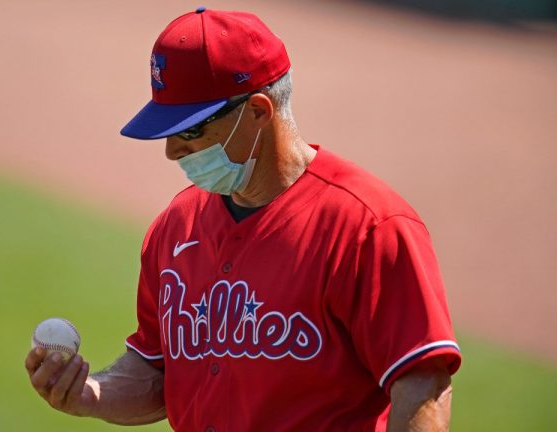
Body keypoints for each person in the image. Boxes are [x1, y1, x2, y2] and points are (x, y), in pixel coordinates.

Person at [25, 7, 461, 431]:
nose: (172, 151)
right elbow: (156, 370)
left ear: (257, 112)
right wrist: (91, 395)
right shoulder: (176, 226)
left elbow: (422, 383)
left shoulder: (369, 228)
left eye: (190, 130)